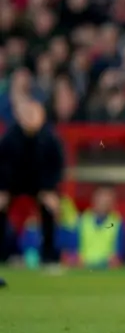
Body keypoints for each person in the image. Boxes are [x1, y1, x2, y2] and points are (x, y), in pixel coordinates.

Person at [0, 100, 64, 268]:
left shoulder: (50, 138)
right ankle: (3, 255)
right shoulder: (9, 137)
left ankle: (49, 256)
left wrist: (49, 189)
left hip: (41, 185)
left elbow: (56, 166)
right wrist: (3, 189)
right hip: (13, 183)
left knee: (50, 208)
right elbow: (2, 164)